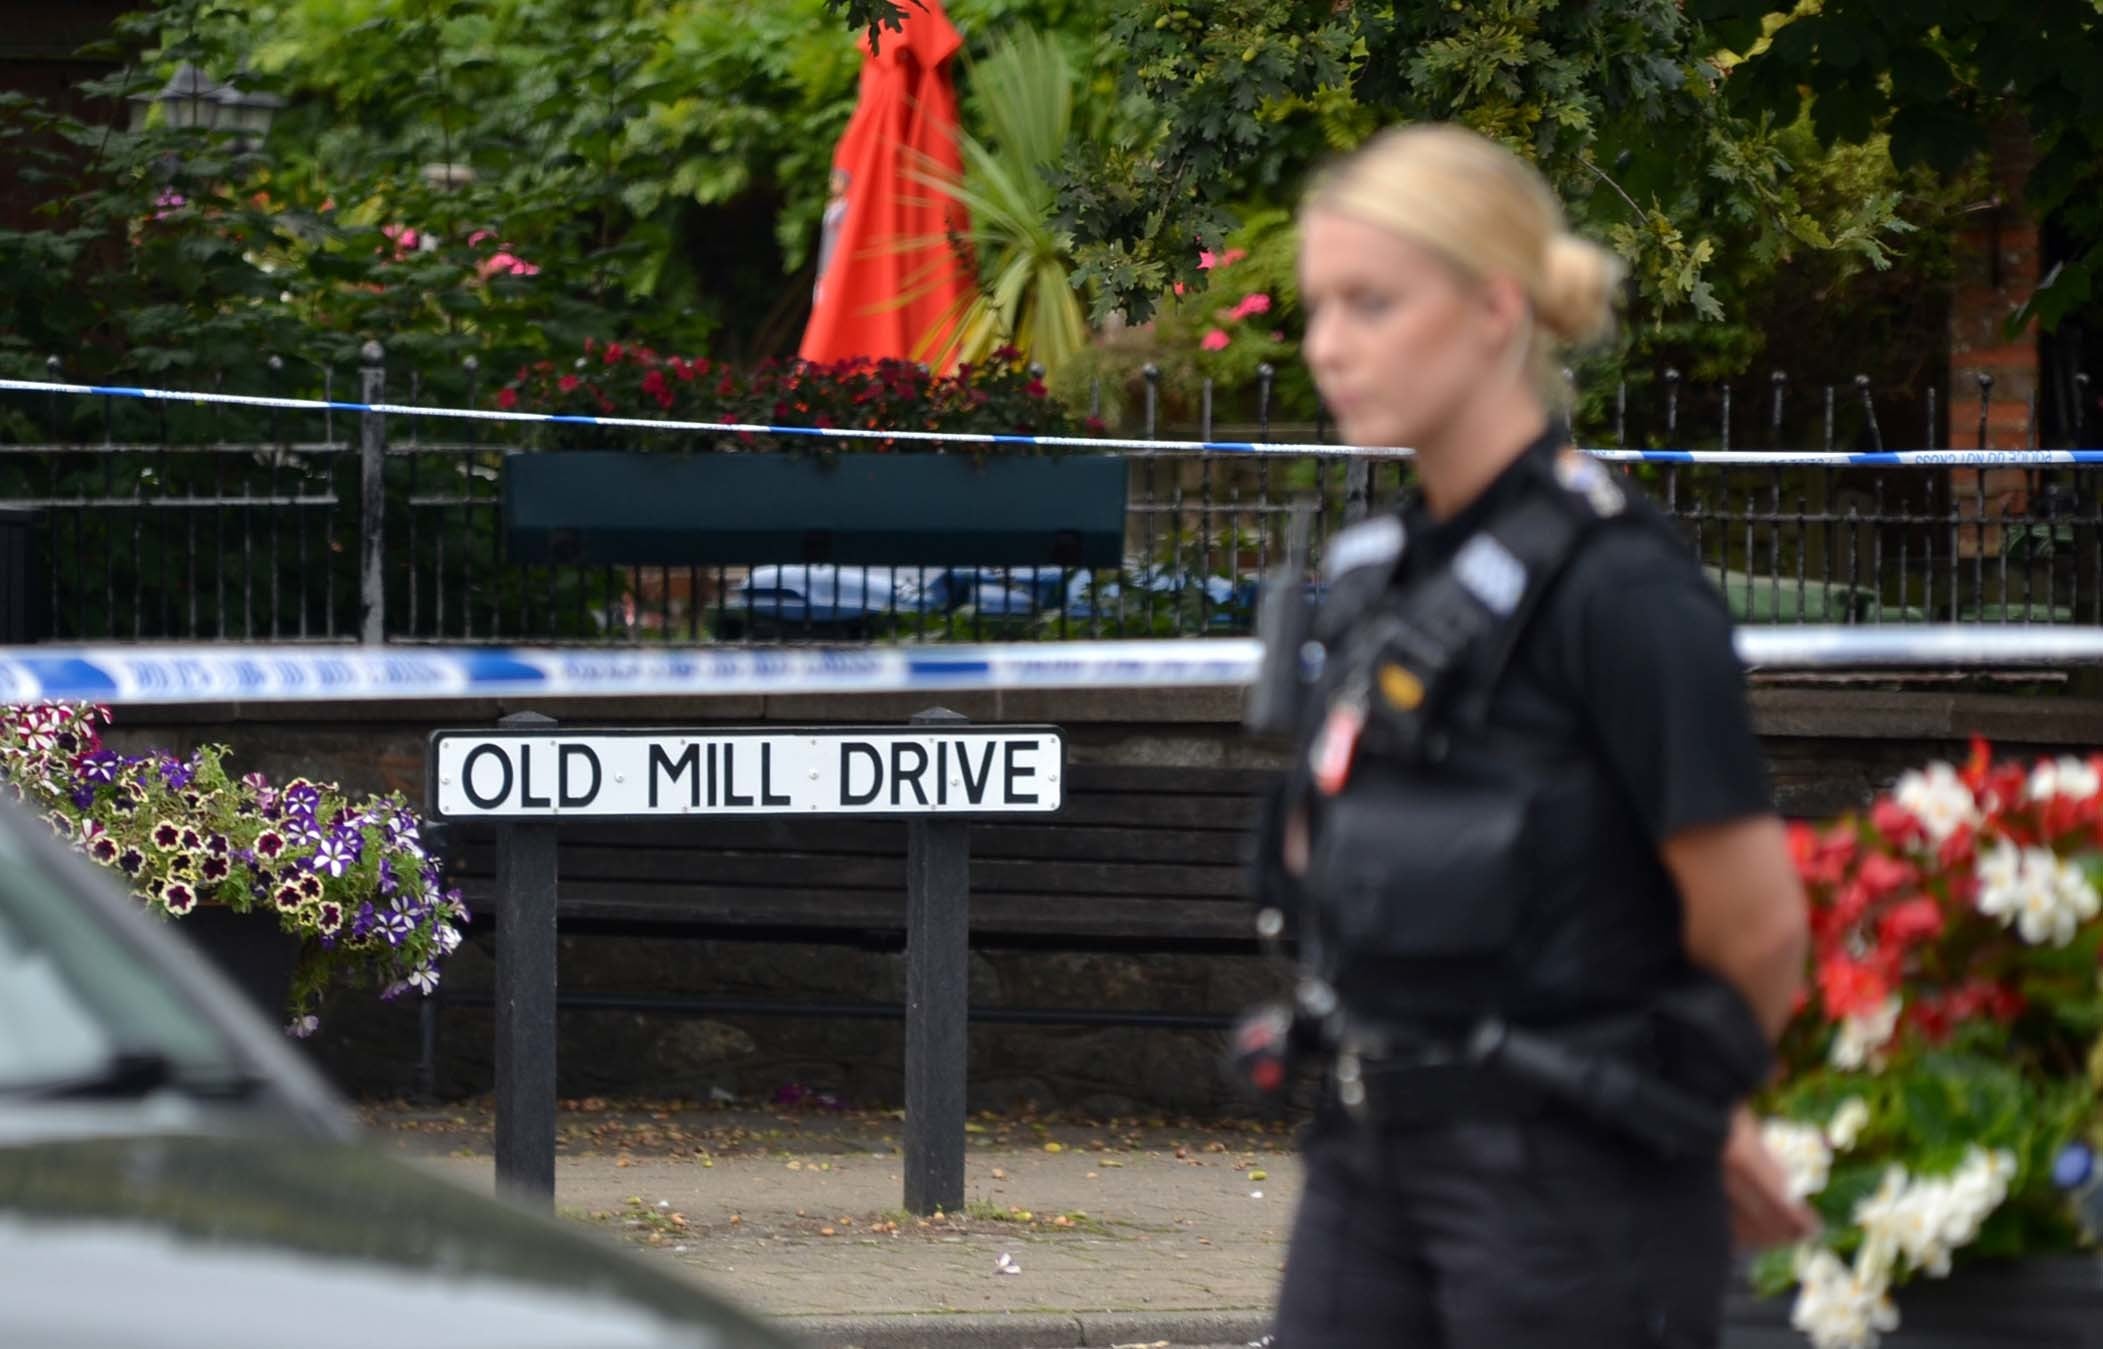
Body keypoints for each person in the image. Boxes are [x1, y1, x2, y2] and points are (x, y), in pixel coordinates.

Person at [1250, 123, 1819, 1347]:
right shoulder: (1378, 577)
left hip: (1570, 1187)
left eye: (1371, 302)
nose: (1327, 345)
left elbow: (1758, 923)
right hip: (1366, 1149)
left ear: (1495, 306)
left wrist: (1686, 1102)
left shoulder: (1620, 588)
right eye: (1318, 306)